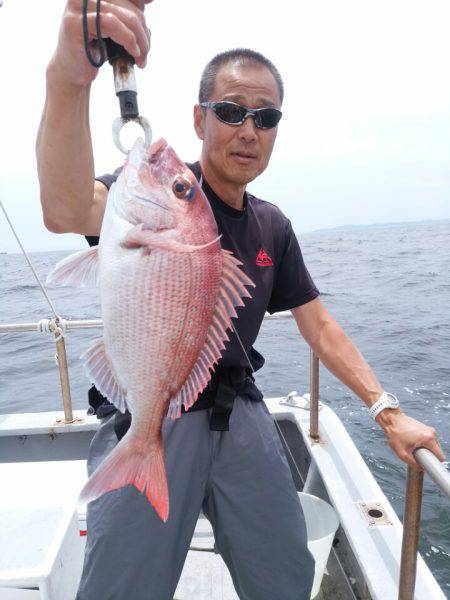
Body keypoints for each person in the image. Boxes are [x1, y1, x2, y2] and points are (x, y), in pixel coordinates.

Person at [36, 2, 446, 599]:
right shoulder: (158, 197)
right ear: (199, 120)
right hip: (151, 412)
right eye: (230, 112)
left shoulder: (272, 226)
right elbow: (64, 208)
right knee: (120, 586)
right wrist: (68, 75)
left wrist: (386, 410)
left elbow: (320, 326)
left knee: (284, 573)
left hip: (239, 410)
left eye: (266, 116)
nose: (248, 130)